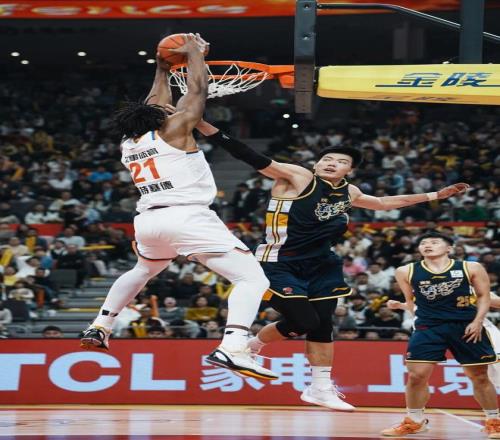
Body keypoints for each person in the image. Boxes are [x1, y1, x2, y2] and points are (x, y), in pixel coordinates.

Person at [193, 117, 469, 411]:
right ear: (315, 164)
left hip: (322, 264)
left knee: (323, 325)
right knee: (304, 322)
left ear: (349, 170)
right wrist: (203, 126)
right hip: (279, 262)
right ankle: (250, 347)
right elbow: (247, 154)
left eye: (340, 162)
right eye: (326, 159)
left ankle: (320, 388)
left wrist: (435, 195)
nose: (331, 163)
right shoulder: (299, 177)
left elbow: (385, 203)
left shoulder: (350, 192)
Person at [79, 33, 276, 381]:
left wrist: (162, 68)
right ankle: (233, 347)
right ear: (159, 115)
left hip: (148, 221)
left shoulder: (130, 142)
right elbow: (197, 92)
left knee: (144, 269)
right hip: (187, 216)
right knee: (251, 278)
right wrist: (196, 55)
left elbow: (153, 103)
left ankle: (101, 324)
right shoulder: (174, 130)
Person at [381, 232, 499, 438]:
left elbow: (484, 296)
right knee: (416, 375)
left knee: (479, 376)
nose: (427, 245)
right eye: (423, 243)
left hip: (465, 325)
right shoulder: (405, 271)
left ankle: (493, 421)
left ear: (449, 248)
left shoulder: (470, 267)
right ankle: (414, 421)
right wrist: (403, 307)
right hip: (429, 327)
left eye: (434, 242)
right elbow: (412, 302)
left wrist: (478, 321)